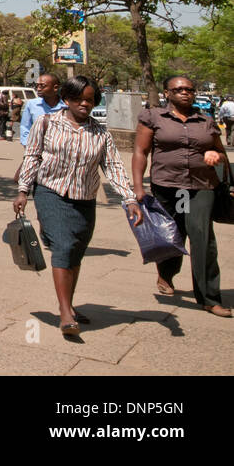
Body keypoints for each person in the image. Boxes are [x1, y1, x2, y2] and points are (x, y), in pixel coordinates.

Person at [14, 76, 142, 337]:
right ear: (66, 100)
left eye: (90, 100)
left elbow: (114, 167)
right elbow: (32, 157)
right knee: (63, 246)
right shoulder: (46, 123)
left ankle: (69, 304)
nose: (85, 104)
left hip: (85, 199)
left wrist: (128, 198)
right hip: (51, 192)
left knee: (76, 252)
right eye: (78, 99)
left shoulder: (100, 132)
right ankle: (64, 313)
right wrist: (23, 191)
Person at [132, 76, 231, 317]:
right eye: (179, 89)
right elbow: (140, 151)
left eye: (189, 89)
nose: (185, 93)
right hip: (167, 186)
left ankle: (209, 297)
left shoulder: (206, 121)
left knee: (203, 238)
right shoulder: (153, 117)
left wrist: (215, 156)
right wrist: (138, 187)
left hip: (201, 186)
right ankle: (166, 274)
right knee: (173, 234)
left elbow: (221, 152)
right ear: (167, 93)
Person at [21, 73, 65, 148]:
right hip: (36, 150)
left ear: (55, 88)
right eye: (37, 85)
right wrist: (27, 145)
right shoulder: (31, 104)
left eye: (42, 86)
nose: (38, 89)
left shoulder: (66, 106)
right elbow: (25, 127)